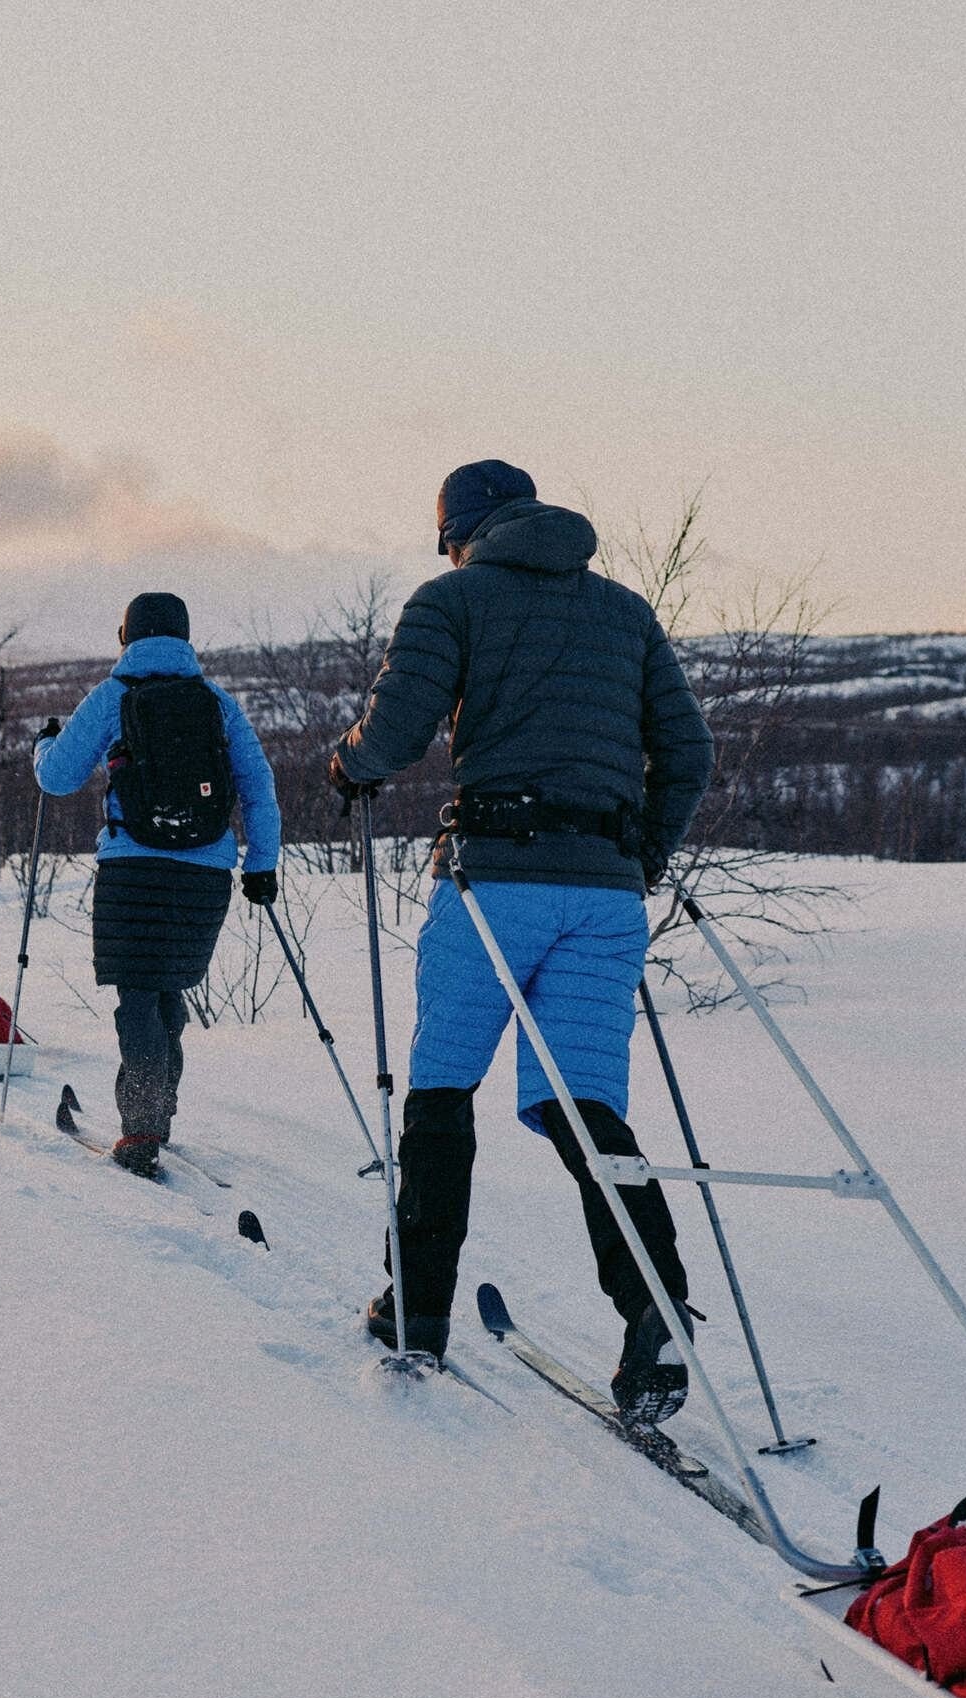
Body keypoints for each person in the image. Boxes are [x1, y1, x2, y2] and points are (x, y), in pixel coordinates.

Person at [327, 460, 715, 1420]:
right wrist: (641, 858)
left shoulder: (452, 598)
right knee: (584, 1108)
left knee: (442, 1087)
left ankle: (417, 1313)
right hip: (604, 898)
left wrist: (349, 763)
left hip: (494, 878)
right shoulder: (624, 611)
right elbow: (690, 751)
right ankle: (654, 1311)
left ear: (461, 530)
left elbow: (398, 731)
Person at [35, 591, 282, 1177]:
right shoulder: (216, 702)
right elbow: (259, 786)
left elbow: (59, 777)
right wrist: (261, 866)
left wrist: (43, 744)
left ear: (126, 637)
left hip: (133, 869)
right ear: (185, 638)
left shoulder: (112, 697)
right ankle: (157, 1111)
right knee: (169, 986)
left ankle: (143, 1122)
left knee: (139, 993)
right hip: (205, 874)